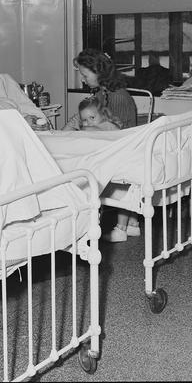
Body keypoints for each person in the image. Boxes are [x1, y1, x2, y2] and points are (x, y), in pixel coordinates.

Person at [64, 49, 140, 242]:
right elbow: (83, 117)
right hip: (111, 144)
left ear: (98, 71)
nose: (83, 80)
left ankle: (118, 225)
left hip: (123, 146)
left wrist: (85, 131)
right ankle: (132, 223)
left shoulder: (118, 97)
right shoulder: (101, 92)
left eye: (85, 75)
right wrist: (65, 132)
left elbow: (118, 132)